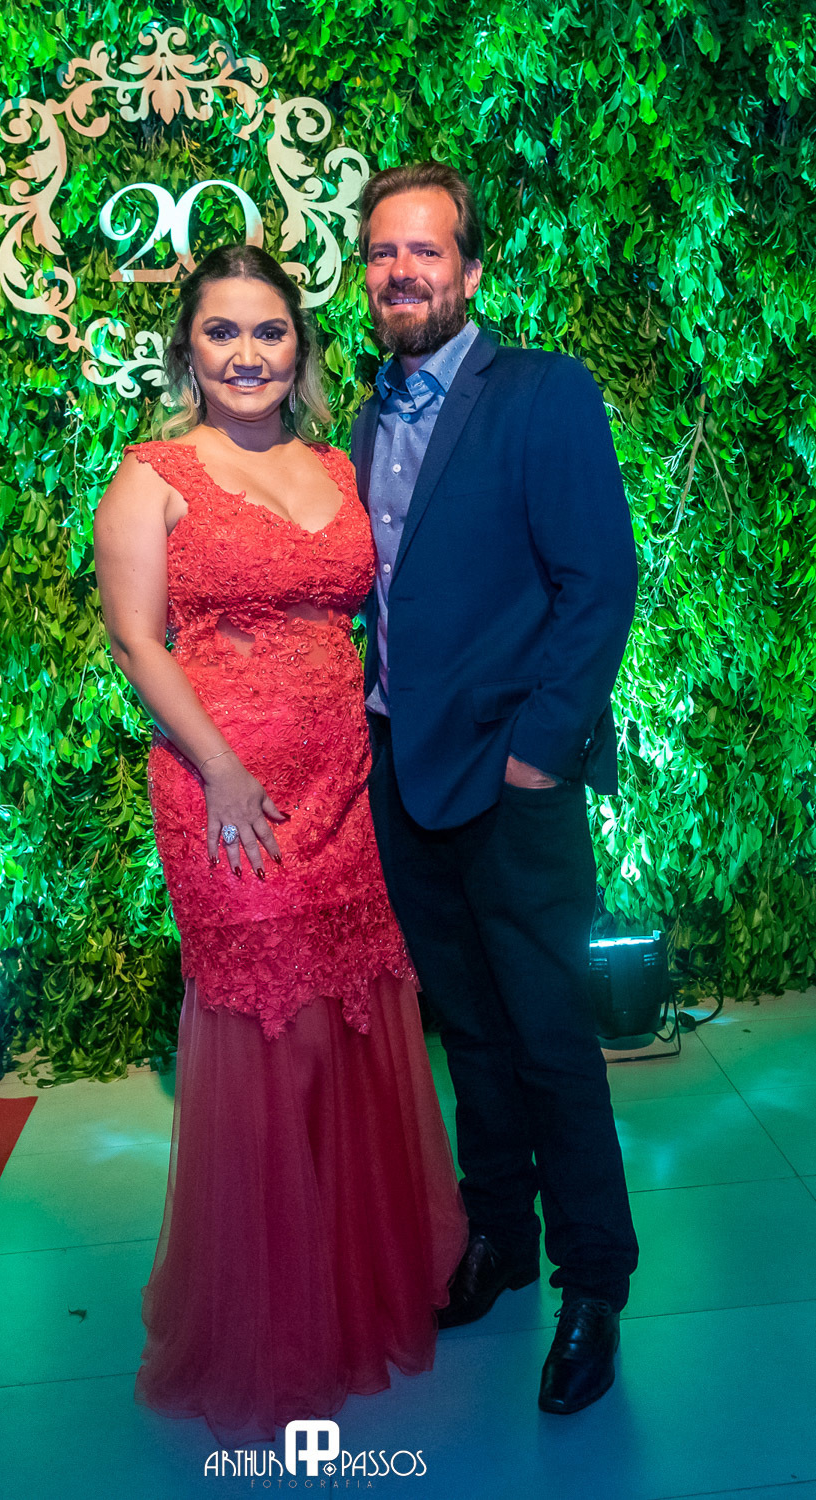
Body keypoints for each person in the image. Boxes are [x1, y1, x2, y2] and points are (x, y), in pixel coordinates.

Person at [92, 243, 468, 1442]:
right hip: (227, 794)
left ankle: (356, 1289)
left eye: (268, 331)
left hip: (344, 787)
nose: (247, 354)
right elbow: (137, 641)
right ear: (186, 350)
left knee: (354, 1022)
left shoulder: (334, 464)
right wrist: (221, 770)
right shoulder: (150, 477)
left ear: (298, 347)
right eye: (222, 332)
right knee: (274, 1038)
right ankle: (269, 1319)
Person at [351, 162, 640, 1416]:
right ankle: (497, 1241)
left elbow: (599, 581)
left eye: (424, 250)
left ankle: (593, 1285)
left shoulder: (540, 391)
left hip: (510, 781)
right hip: (402, 775)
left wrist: (536, 753)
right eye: (381, 252)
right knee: (467, 1031)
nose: (400, 271)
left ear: (468, 271)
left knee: (549, 1038)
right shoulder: (362, 419)